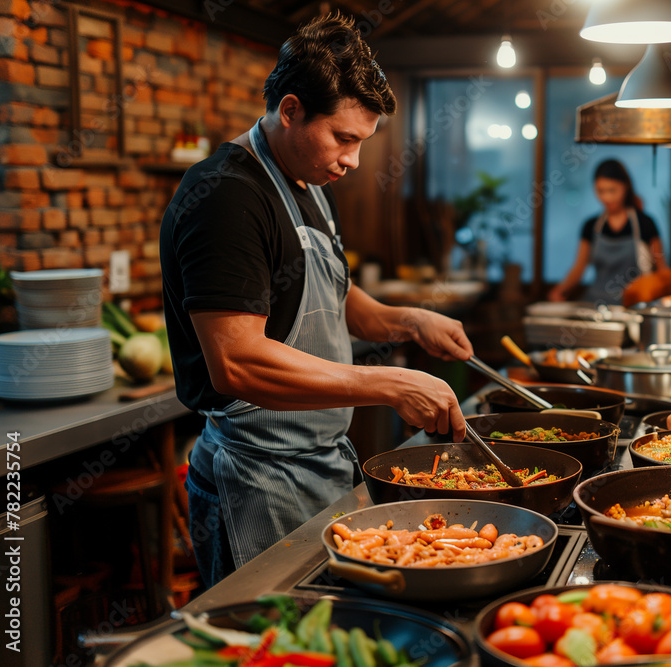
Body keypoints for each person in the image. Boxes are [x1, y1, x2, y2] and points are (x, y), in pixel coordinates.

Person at [159, 13, 474, 589]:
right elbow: (237, 362)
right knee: (270, 641)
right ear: (291, 110)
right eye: (345, 138)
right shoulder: (228, 196)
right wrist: (391, 385)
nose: (352, 159)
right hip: (256, 477)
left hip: (316, 465)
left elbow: (332, 293)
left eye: (361, 142)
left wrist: (408, 320)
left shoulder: (303, 180)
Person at [549, 159, 668, 304]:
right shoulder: (591, 226)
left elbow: (661, 269)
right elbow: (579, 267)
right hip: (596, 303)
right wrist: (558, 291)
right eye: (601, 191)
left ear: (625, 187)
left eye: (612, 190)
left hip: (633, 304)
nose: (607, 197)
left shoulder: (645, 223)